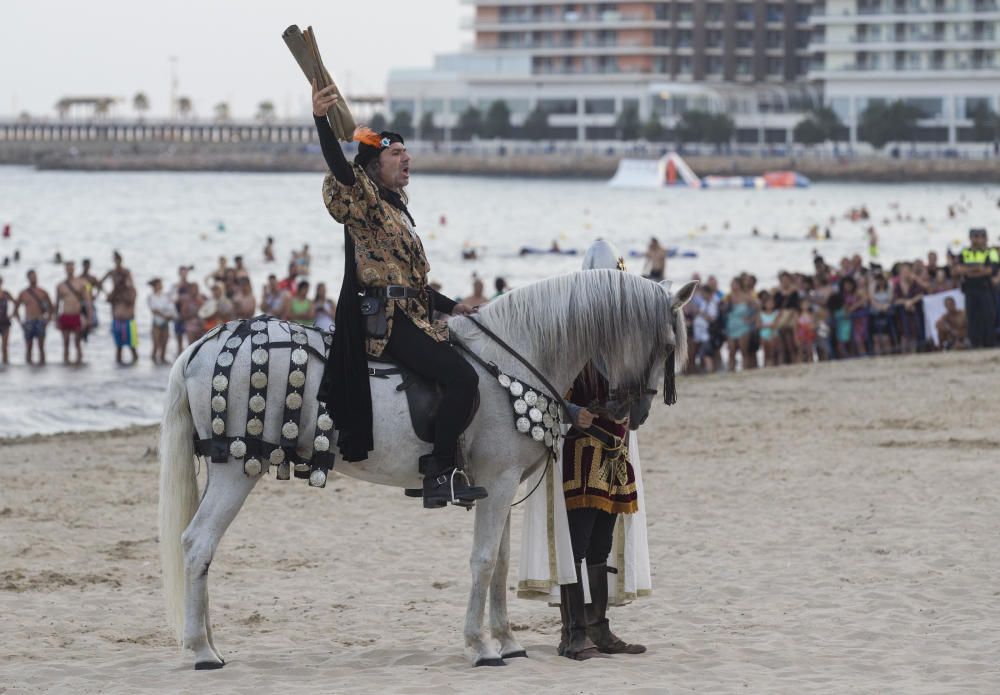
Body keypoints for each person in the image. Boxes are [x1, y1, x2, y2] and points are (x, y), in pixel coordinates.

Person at [311, 79, 484, 509]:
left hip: (414, 313)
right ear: (373, 166)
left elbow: (417, 284)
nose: (406, 158)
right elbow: (341, 168)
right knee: (464, 379)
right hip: (387, 321)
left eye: (406, 152)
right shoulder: (365, 200)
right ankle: (439, 471)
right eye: (395, 153)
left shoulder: (397, 210)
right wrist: (320, 120)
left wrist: (456, 307)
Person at [954, 228, 998, 348]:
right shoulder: (965, 252)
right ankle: (975, 343)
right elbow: (958, 269)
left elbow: (990, 270)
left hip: (986, 288)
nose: (977, 240)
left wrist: (970, 271)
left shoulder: (991, 252)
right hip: (970, 289)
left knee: (988, 315)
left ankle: (989, 343)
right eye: (975, 237)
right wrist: (978, 269)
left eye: (980, 237)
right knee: (973, 316)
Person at [13, 269, 52, 365]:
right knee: (28, 347)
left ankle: (42, 365)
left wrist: (48, 320)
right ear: (28, 278)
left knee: (41, 347)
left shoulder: (43, 292)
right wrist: (21, 323)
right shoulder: (23, 293)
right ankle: (29, 366)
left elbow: (51, 307)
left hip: (40, 320)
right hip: (29, 321)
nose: (33, 278)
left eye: (35, 276)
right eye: (31, 277)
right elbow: (15, 310)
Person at [55, 261, 89, 364]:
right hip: (65, 315)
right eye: (68, 268)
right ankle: (66, 363)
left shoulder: (82, 283)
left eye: (71, 268)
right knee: (65, 343)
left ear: (74, 269)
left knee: (77, 342)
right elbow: (56, 304)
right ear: (65, 269)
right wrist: (56, 318)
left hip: (77, 315)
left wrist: (89, 318)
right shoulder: (60, 285)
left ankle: (79, 362)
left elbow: (88, 301)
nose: (70, 270)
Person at [111, 281, 139, 365]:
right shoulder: (116, 291)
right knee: (118, 347)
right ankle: (119, 366)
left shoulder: (131, 290)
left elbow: (130, 301)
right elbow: (108, 299)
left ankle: (135, 365)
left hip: (129, 322)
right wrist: (116, 290)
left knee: (132, 346)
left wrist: (123, 290)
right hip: (117, 322)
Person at [147, 278, 174, 365]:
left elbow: (169, 307)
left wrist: (169, 315)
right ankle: (153, 362)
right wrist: (165, 315)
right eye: (159, 284)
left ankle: (162, 359)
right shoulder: (151, 296)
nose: (161, 285)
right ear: (155, 285)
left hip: (165, 322)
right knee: (155, 344)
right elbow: (153, 310)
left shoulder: (165, 296)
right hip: (156, 323)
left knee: (165, 343)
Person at [0, 275, 13, 365]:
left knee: (5, 346)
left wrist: (12, 315)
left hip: (4, 322)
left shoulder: (5, 293)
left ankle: (5, 363)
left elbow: (16, 302)